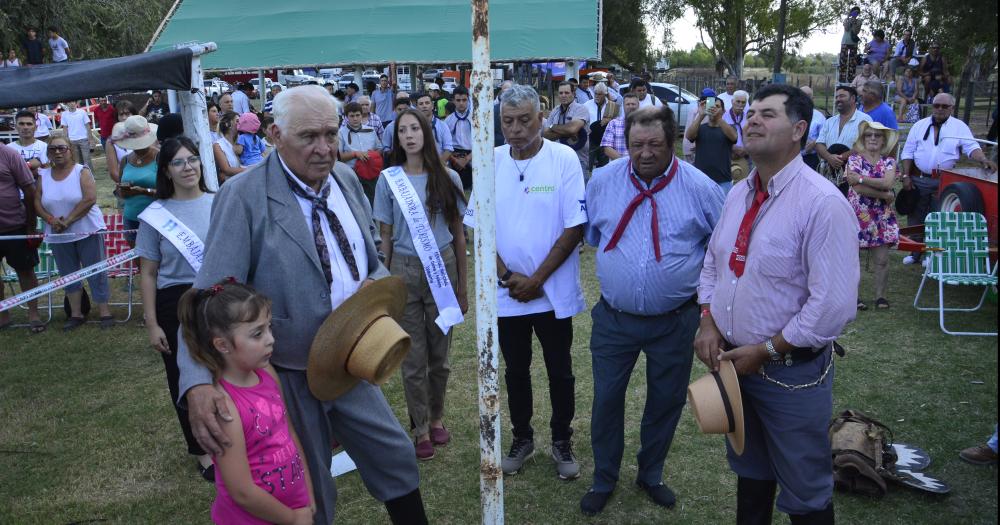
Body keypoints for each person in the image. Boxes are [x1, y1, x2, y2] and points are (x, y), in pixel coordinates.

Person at [177, 84, 428, 525]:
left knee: (394, 453)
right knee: (309, 485)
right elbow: (207, 295)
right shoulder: (244, 196)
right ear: (275, 134)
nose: (325, 148)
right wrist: (197, 383)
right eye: (309, 137)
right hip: (285, 370)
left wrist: (376, 284)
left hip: (352, 359)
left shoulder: (346, 180)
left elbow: (368, 249)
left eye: (331, 134)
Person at [696, 84, 860, 525]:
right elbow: (715, 264)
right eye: (750, 113)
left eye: (767, 114)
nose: (751, 120)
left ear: (798, 130)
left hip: (790, 374)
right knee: (752, 475)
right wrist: (709, 320)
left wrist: (767, 350)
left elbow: (833, 306)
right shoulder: (738, 192)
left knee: (805, 491)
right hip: (736, 365)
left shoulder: (823, 203)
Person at [580, 105, 724, 516]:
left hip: (675, 321)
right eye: (637, 144)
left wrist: (710, 313)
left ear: (672, 143)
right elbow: (594, 234)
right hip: (614, 319)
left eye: (655, 144)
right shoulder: (604, 181)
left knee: (666, 400)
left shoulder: (700, 187)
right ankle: (604, 477)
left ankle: (651, 473)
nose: (645, 153)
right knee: (607, 399)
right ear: (626, 144)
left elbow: (720, 248)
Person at [464, 84, 587, 480]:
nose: (515, 129)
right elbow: (477, 228)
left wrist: (537, 279)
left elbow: (574, 226)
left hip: (550, 294)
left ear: (541, 118)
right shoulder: (490, 159)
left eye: (524, 120)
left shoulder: (563, 159)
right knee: (515, 370)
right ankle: (522, 438)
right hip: (507, 294)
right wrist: (505, 275)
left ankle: (561, 439)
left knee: (560, 370)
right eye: (507, 121)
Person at [177, 279, 315, 524]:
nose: (271, 339)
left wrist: (308, 496)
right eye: (257, 333)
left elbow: (289, 434)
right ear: (222, 344)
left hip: (294, 508)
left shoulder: (267, 374)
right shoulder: (225, 406)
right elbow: (241, 491)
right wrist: (293, 518)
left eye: (269, 328)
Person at [375, 108, 468, 461]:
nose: (409, 135)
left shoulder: (448, 178)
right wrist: (383, 281)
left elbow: (459, 235)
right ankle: (421, 427)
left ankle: (439, 415)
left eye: (415, 128)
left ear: (426, 133)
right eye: (402, 131)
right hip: (403, 270)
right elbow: (385, 235)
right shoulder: (388, 180)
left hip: (441, 267)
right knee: (412, 357)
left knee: (439, 356)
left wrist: (462, 287)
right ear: (396, 138)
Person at [136, 137, 215, 481]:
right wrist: (152, 323)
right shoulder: (155, 216)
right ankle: (202, 451)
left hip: (219, 296)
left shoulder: (220, 201)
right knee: (184, 376)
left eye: (193, 159)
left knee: (228, 372)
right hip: (176, 303)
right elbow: (149, 273)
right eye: (179, 162)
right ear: (166, 170)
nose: (189, 167)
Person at [899, 93, 997, 265]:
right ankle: (915, 253)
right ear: (932, 106)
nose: (940, 109)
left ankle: (932, 255)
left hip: (944, 179)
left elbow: (971, 147)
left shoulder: (959, 127)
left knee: (939, 217)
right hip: (919, 178)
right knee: (916, 215)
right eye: (937, 105)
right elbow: (907, 151)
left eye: (945, 106)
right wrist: (906, 175)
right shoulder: (919, 125)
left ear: (952, 108)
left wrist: (983, 159)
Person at [34, 135, 113, 331]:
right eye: (53, 149)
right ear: (48, 153)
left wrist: (68, 220)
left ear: (70, 150)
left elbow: (89, 199)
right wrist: (51, 220)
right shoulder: (43, 175)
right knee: (68, 274)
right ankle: (76, 314)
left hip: (88, 230)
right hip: (58, 234)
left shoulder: (81, 171)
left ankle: (104, 311)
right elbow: (37, 202)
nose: (58, 152)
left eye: (62, 148)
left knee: (96, 270)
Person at [845, 121, 899, 310]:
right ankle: (854, 297)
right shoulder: (854, 159)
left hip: (881, 217)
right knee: (853, 260)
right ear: (863, 139)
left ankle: (880, 297)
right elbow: (858, 189)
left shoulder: (889, 162)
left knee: (882, 260)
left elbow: (888, 182)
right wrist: (884, 195)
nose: (873, 138)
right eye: (869, 135)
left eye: (877, 135)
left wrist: (860, 177)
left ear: (884, 140)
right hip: (857, 215)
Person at [0, 143, 43, 333]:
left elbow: (29, 190)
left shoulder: (9, 154)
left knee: (25, 271)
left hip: (15, 225)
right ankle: (3, 315)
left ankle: (33, 314)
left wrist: (31, 225)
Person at [112, 115, 160, 245]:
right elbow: (119, 192)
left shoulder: (160, 157)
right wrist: (122, 191)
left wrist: (144, 191)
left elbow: (171, 192)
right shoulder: (125, 160)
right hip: (131, 219)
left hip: (158, 219)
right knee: (139, 261)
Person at [816, 85, 872, 175]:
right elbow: (819, 143)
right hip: (830, 174)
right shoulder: (829, 121)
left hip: (855, 173)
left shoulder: (865, 120)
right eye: (836, 97)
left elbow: (865, 145)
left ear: (853, 98)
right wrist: (829, 157)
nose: (838, 99)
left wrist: (839, 158)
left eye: (842, 96)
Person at [686, 96, 738, 193]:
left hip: (723, 182)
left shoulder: (729, 128)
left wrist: (718, 118)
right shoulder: (700, 128)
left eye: (717, 106)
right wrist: (701, 115)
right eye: (711, 106)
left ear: (723, 111)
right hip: (701, 181)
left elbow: (734, 137)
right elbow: (689, 136)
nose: (713, 109)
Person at [385, 92, 453, 164]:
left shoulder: (442, 125)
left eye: (427, 103)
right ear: (416, 107)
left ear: (432, 105)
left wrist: (438, 166)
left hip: (440, 166)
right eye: (421, 104)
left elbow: (448, 148)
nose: (424, 106)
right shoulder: (411, 127)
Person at [339, 102, 384, 203]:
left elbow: (380, 148)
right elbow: (338, 157)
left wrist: (373, 154)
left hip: (370, 173)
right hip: (351, 173)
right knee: (354, 201)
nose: (355, 118)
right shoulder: (341, 133)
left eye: (357, 115)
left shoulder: (371, 130)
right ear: (346, 117)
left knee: (372, 199)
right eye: (351, 116)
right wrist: (355, 154)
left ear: (361, 115)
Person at [544, 81, 591, 175]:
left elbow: (572, 129)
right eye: (561, 93)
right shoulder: (555, 111)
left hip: (578, 159)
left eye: (566, 93)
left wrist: (553, 126)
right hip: (557, 159)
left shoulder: (581, 109)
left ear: (573, 94)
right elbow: (545, 134)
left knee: (580, 189)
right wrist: (567, 131)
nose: (563, 95)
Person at [583, 83, 618, 169]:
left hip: (606, 141)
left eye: (599, 94)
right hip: (590, 140)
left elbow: (617, 122)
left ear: (605, 94)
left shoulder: (612, 106)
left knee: (605, 167)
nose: (597, 96)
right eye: (595, 93)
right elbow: (582, 122)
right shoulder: (586, 105)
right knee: (588, 166)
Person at [444, 86, 473, 189]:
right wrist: (454, 159)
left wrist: (467, 159)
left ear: (468, 99)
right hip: (453, 157)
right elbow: (445, 144)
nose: (461, 103)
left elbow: (480, 143)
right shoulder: (447, 121)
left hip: (472, 156)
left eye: (464, 100)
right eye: (458, 100)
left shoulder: (476, 119)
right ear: (453, 101)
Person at [105, 101, 136, 190]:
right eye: (121, 114)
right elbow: (113, 172)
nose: (124, 117)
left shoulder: (143, 135)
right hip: (126, 188)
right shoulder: (112, 141)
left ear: (134, 115)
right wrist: (129, 186)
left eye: (127, 114)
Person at [601, 93, 639, 161]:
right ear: (623, 106)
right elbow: (607, 148)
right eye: (628, 104)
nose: (631, 106)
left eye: (633, 104)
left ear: (638, 106)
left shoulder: (645, 124)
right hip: (618, 167)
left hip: (639, 167)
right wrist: (626, 163)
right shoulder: (613, 123)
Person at [10, 110, 48, 179]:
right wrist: (29, 165)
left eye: (29, 124)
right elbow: (7, 174)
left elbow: (47, 172)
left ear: (36, 127)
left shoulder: (44, 147)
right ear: (15, 127)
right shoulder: (8, 149)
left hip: (39, 188)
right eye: (21, 124)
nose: (25, 127)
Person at [724, 90, 752, 181]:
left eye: (743, 102)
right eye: (738, 101)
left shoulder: (748, 118)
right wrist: (732, 148)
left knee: (745, 182)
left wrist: (746, 150)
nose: (740, 104)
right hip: (727, 155)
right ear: (732, 102)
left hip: (745, 156)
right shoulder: (723, 116)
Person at [59, 100, 94, 172]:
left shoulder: (82, 112)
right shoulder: (64, 114)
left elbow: (87, 126)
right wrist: (65, 141)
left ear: (76, 103)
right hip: (72, 140)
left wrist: (91, 139)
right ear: (67, 104)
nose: (72, 103)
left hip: (84, 139)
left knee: (87, 159)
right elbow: (65, 129)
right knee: (77, 161)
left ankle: (90, 175)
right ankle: (81, 175)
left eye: (73, 102)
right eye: (70, 102)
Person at [799, 86, 827, 171]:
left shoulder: (819, 117)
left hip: (810, 159)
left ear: (812, 98)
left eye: (807, 95)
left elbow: (825, 135)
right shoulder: (790, 114)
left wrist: (814, 143)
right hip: (791, 157)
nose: (804, 98)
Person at [213, 111, 245, 183]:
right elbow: (226, 169)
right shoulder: (218, 145)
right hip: (232, 185)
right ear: (228, 124)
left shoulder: (244, 140)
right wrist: (251, 169)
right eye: (237, 121)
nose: (241, 124)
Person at [839, 6, 862, 84]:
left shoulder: (859, 21)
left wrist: (855, 22)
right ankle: (842, 79)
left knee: (852, 62)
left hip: (853, 43)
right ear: (851, 12)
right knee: (843, 61)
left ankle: (851, 79)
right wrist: (849, 19)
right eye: (854, 12)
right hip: (845, 42)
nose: (856, 14)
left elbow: (856, 32)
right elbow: (846, 28)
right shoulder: (846, 20)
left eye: (857, 13)